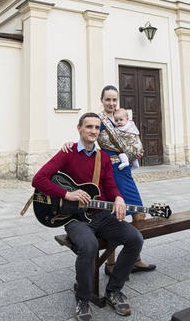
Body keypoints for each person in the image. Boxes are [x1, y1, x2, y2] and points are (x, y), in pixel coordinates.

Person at [32, 113, 143, 321]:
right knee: (89, 246)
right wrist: (67, 194)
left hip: (101, 214)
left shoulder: (103, 158)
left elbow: (109, 185)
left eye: (96, 128)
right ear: (79, 128)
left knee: (135, 238)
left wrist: (118, 198)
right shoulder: (67, 152)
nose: (93, 131)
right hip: (75, 218)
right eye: (88, 127)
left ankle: (113, 290)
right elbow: (38, 179)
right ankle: (83, 299)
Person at [62, 85, 156, 275]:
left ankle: (135, 258)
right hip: (109, 170)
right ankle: (111, 264)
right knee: (113, 215)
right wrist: (70, 144)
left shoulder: (122, 120)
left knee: (139, 215)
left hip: (125, 170)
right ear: (101, 100)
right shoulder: (101, 120)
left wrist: (136, 151)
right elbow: (88, 136)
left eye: (114, 100)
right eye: (108, 100)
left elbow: (131, 141)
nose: (111, 103)